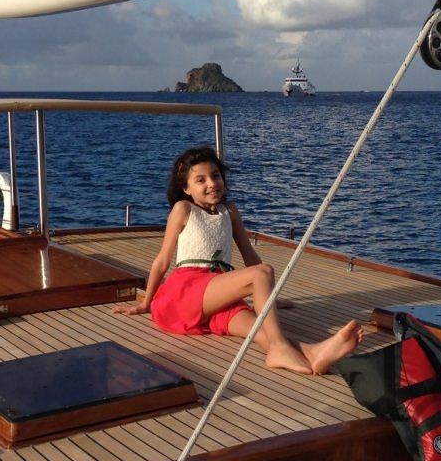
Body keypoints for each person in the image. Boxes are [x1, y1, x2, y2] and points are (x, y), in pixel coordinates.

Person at [114, 146, 362, 375]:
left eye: (216, 176)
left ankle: (313, 353)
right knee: (261, 273)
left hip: (216, 291)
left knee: (259, 325)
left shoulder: (229, 211)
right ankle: (278, 349)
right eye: (201, 180)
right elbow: (162, 260)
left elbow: (249, 255)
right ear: (186, 188)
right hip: (185, 291)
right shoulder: (183, 209)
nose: (212, 184)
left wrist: (268, 300)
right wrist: (147, 303)